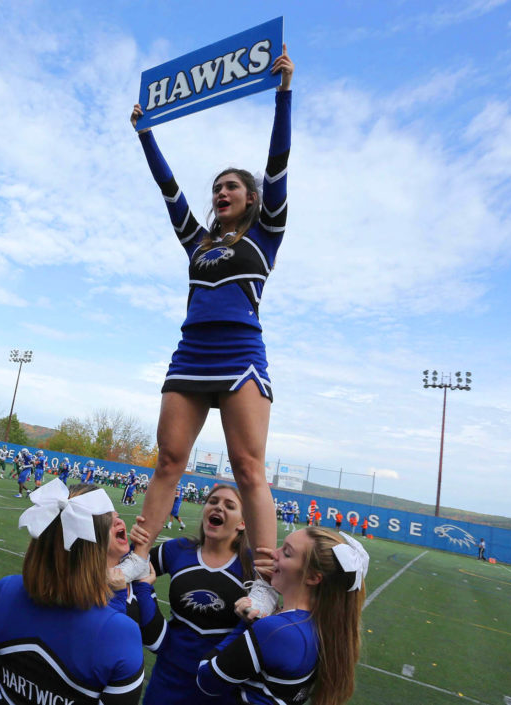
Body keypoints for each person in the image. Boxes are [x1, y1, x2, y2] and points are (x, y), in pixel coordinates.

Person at [129, 48, 294, 618]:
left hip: (240, 352)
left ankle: (266, 582)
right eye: (218, 187)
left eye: (233, 187)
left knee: (249, 467)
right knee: (168, 459)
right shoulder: (197, 242)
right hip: (191, 352)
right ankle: (138, 553)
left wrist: (283, 95)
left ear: (250, 200)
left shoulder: (265, 234)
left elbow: (277, 166)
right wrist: (145, 133)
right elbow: (167, 188)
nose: (221, 192)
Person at [0, 479, 145, 704]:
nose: (120, 521)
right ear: (93, 550)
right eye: (110, 522)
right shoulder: (120, 633)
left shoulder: (3, 592)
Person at [196, 528, 369, 705]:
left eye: (286, 553)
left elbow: (207, 680)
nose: (274, 554)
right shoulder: (322, 624)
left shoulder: (278, 631)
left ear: (312, 577)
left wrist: (246, 623)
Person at [126, 484, 253, 704]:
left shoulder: (251, 565)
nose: (218, 507)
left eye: (229, 506)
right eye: (213, 502)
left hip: (219, 685)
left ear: (242, 523)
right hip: (168, 676)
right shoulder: (180, 549)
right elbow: (132, 567)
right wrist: (135, 545)